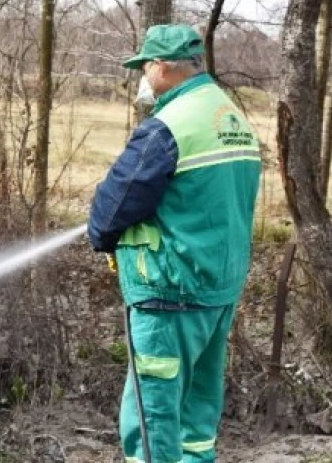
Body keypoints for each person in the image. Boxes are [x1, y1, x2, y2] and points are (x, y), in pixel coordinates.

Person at [88, 24, 262, 463]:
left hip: (169, 289)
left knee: (154, 415)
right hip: (217, 288)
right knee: (197, 417)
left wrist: (101, 236)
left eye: (145, 66)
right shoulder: (231, 117)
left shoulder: (168, 126)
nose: (143, 77)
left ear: (162, 67)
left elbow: (114, 206)